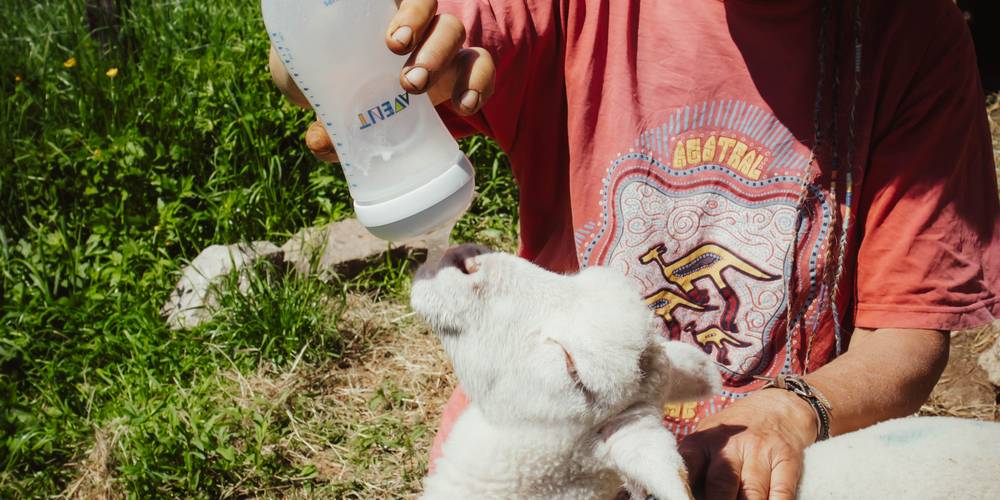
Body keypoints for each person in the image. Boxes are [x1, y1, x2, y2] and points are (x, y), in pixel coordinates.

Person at [269, 0, 1000, 498]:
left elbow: (906, 334)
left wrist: (787, 413)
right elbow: (432, 34)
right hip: (544, 455)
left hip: (754, 471)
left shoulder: (911, 33)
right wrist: (346, 49)